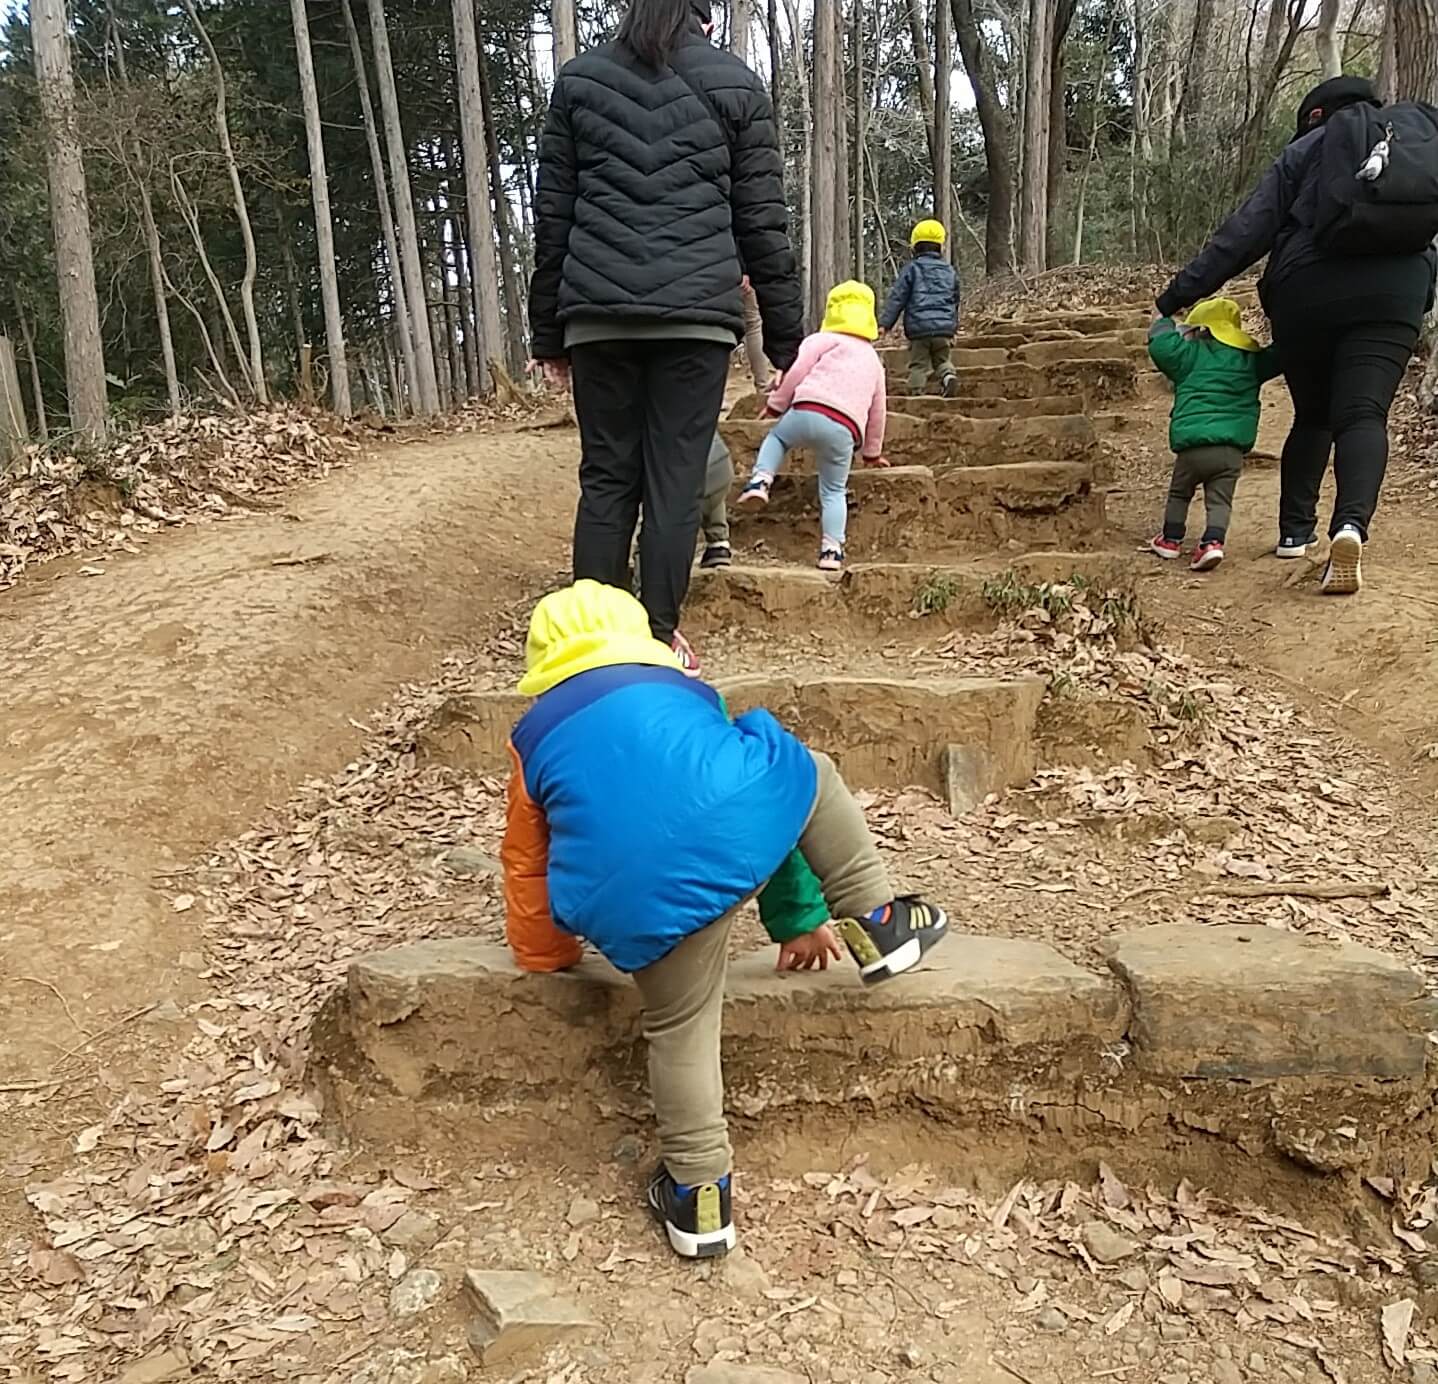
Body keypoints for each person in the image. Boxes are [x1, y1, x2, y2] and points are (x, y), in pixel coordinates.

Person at [501, 581, 949, 1259]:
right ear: (641, 643)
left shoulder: (534, 737)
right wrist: (798, 918)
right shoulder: (685, 692)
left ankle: (699, 1199)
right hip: (737, 825)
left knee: (680, 1028)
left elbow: (527, 863)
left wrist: (545, 953)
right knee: (806, 773)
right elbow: (768, 803)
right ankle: (878, 919)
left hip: (631, 896)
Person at [528, 0, 803, 673]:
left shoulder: (580, 81)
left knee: (607, 479)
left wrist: (549, 333)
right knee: (675, 481)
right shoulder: (735, 85)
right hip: (695, 320)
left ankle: (591, 647)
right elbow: (763, 225)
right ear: (704, 15)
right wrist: (790, 341)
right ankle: (655, 639)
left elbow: (553, 220)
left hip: (598, 318)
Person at [1155, 75, 1437, 595]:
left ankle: (1295, 533)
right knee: (1363, 414)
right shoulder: (1414, 139)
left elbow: (1245, 233)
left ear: (1314, 116)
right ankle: (1350, 527)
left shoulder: (1307, 149)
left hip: (1307, 291)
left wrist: (1176, 297)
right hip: (1396, 291)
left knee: (1313, 414)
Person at [736, 282, 888, 573]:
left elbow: (795, 374)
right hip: (846, 429)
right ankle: (832, 550)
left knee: (778, 438)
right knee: (833, 490)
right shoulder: (873, 359)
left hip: (807, 409)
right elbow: (878, 410)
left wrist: (776, 405)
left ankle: (761, 480)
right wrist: (872, 452)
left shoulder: (820, 341)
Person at [1147, 298, 1283, 572]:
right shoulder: (1251, 361)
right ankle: (1212, 543)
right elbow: (1281, 355)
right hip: (1231, 449)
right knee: (1220, 499)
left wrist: (1162, 319)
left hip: (1192, 446)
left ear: (1201, 330)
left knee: (1180, 493)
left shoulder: (1190, 355)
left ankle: (1170, 540)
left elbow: (1162, 348)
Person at [879, 219, 961, 398]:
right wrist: (953, 327)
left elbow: (897, 298)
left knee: (918, 365)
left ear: (915, 246)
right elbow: (954, 301)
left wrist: (885, 324)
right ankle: (948, 376)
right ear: (941, 246)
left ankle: (916, 395)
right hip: (943, 330)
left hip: (919, 330)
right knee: (942, 360)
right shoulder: (949, 271)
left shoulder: (912, 269)